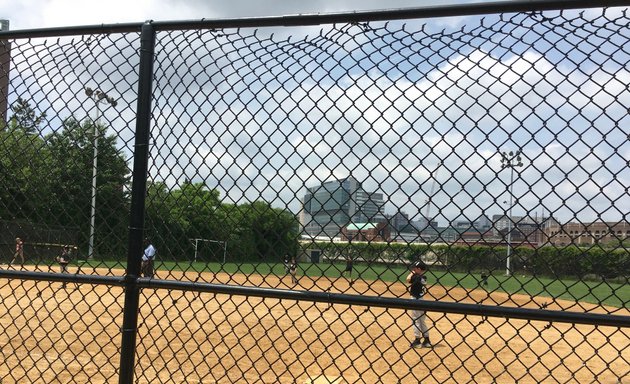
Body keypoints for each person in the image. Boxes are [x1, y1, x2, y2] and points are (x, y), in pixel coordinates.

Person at [406, 260, 432, 348]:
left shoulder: (416, 277)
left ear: (419, 269)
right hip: (422, 300)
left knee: (416, 320)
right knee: (422, 321)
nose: (413, 269)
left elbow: (408, 279)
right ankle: (427, 340)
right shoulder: (424, 277)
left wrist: (412, 273)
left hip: (415, 300)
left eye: (415, 268)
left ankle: (417, 340)